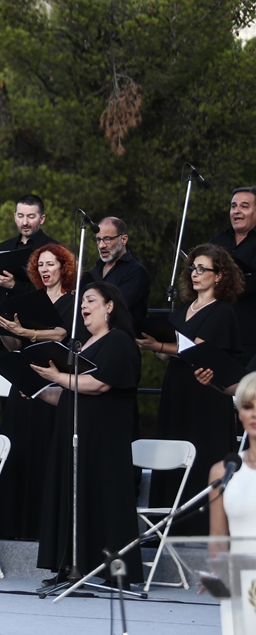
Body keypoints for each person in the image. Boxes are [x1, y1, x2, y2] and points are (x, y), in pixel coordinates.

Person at [34, 283, 142, 586]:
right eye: (82, 301)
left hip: (103, 439)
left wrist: (57, 376)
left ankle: (113, 572)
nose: (84, 306)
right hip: (74, 434)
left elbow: (100, 384)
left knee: (105, 499)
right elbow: (68, 393)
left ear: (109, 306)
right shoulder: (82, 344)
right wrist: (41, 390)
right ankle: (71, 564)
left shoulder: (119, 340)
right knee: (73, 496)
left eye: (91, 300)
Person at [137, 244, 242, 535]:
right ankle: (166, 527)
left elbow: (197, 349)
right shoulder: (184, 308)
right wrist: (156, 343)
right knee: (172, 449)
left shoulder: (222, 311)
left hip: (205, 392)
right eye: (192, 268)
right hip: (178, 388)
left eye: (202, 269)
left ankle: (198, 529)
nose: (194, 274)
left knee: (201, 454)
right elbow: (167, 352)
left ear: (219, 275)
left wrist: (159, 345)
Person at [0, 245, 77, 541]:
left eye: (51, 264)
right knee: (18, 451)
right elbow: (15, 346)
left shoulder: (72, 302)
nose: (45, 270)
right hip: (24, 379)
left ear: (64, 268)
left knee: (45, 452)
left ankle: (42, 526)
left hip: (52, 382)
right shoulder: (27, 300)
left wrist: (27, 333)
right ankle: (12, 525)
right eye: (41, 265)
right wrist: (1, 326)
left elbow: (63, 334)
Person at [207, 373, 256, 634]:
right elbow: (218, 536)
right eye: (248, 406)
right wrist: (217, 579)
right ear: (239, 413)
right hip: (238, 582)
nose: (254, 414)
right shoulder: (223, 471)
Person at [0, 194, 56, 300]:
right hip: (2, 314)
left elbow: (54, 291)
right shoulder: (3, 247)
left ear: (42, 219)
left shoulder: (54, 249)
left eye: (31, 217)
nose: (24, 222)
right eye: (20, 216)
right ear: (15, 217)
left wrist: (16, 285)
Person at [209, 187, 256, 364]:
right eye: (233, 206)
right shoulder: (218, 240)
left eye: (244, 206)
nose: (237, 211)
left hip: (248, 334)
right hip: (216, 332)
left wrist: (220, 279)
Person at [88, 217, 150, 324]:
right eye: (98, 240)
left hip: (122, 337)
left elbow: (117, 308)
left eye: (107, 239)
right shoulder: (96, 270)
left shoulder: (136, 272)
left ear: (124, 239)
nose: (101, 245)